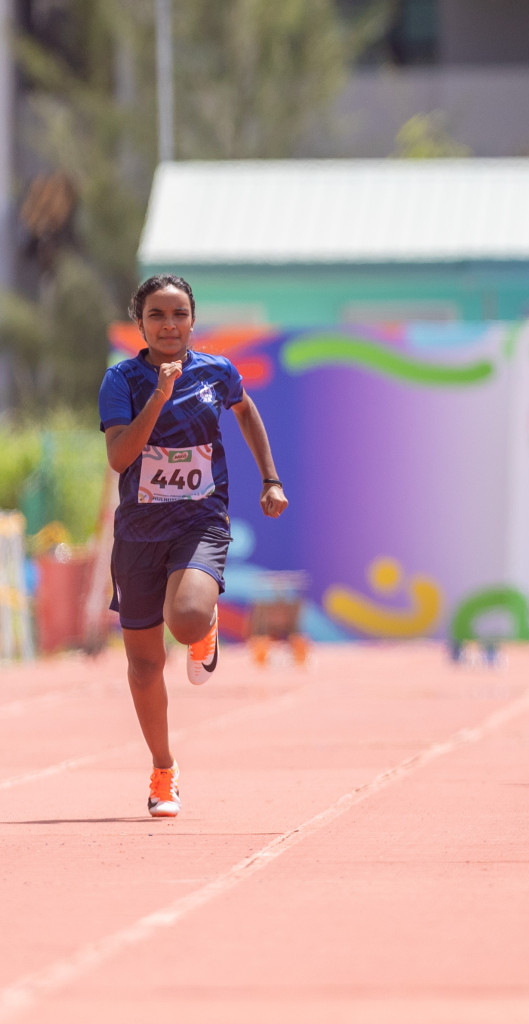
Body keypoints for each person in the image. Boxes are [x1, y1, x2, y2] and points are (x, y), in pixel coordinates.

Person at [99, 274, 288, 818]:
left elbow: (246, 410)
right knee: (143, 665)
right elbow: (119, 457)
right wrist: (158, 395)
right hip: (138, 534)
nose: (168, 324)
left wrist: (269, 479)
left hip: (200, 521)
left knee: (183, 620)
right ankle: (163, 770)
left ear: (192, 320)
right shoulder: (121, 381)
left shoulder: (217, 372)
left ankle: (202, 631)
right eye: (156, 315)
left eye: (178, 314)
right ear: (141, 323)